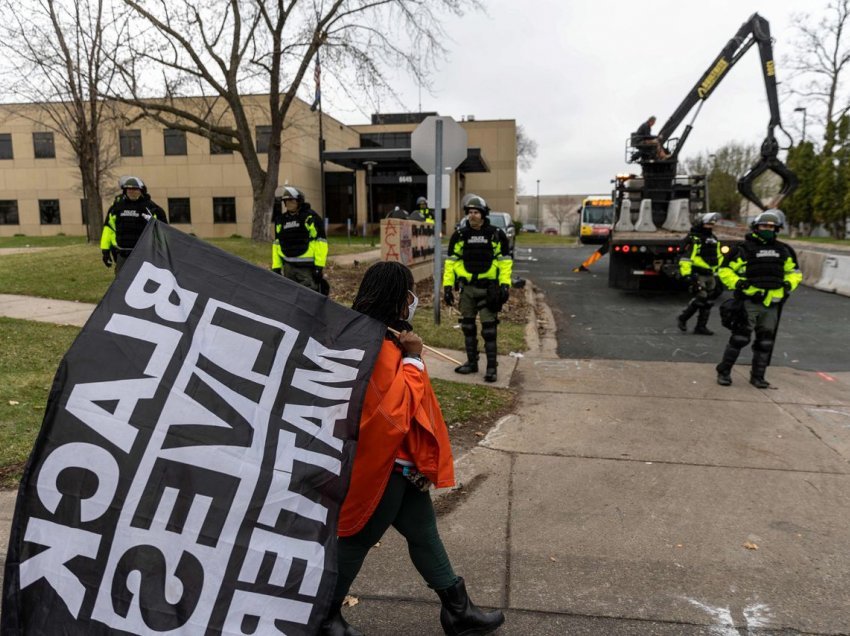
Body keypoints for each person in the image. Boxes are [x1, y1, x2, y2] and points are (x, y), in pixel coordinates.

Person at [320, 261, 505, 636]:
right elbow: (396, 412)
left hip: (401, 464)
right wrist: (413, 359)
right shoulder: (377, 346)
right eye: (409, 293)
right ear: (398, 298)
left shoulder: (380, 337)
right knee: (357, 539)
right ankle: (323, 617)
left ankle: (458, 611)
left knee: (423, 533)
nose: (413, 301)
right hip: (385, 466)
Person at [715, 210, 802, 388]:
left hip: (772, 303)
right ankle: (724, 371)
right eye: (764, 226)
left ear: (777, 229)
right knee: (740, 338)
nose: (768, 229)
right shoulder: (743, 249)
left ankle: (758, 377)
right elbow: (725, 271)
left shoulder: (784, 250)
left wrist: (787, 285)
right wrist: (740, 284)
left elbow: (794, 273)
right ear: (756, 227)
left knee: (765, 342)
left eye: (771, 227)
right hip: (749, 302)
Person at [442, 194, 513, 382]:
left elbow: (505, 262)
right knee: (467, 326)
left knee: (489, 329)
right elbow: (450, 263)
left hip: (488, 289)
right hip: (467, 289)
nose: (472, 215)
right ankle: (471, 363)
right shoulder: (459, 235)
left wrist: (505, 285)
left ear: (483, 214)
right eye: (470, 212)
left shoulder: (495, 234)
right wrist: (448, 287)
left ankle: (491, 368)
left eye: (476, 212)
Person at [100, 176, 168, 275]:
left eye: (135, 189)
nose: (131, 192)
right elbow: (108, 229)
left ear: (142, 191)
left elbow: (163, 231)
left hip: (145, 255)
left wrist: (162, 253)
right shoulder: (117, 208)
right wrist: (105, 251)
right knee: (121, 284)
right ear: (124, 190)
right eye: (129, 189)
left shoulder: (151, 208)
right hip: (122, 254)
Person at [271, 185, 328, 292]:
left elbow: (321, 242)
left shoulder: (310, 218)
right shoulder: (281, 220)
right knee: (289, 294)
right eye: (286, 201)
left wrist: (319, 267)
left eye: (291, 200)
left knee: (308, 295)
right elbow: (277, 244)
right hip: (288, 266)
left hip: (306, 267)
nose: (288, 203)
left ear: (299, 201)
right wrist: (276, 267)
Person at [677, 212, 724, 335]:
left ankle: (701, 327)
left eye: (712, 224)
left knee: (708, 301)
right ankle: (683, 318)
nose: (710, 226)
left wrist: (719, 273)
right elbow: (686, 258)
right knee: (701, 297)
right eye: (708, 223)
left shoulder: (714, 239)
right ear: (701, 223)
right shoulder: (694, 239)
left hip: (711, 274)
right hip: (698, 273)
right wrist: (687, 274)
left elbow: (718, 256)